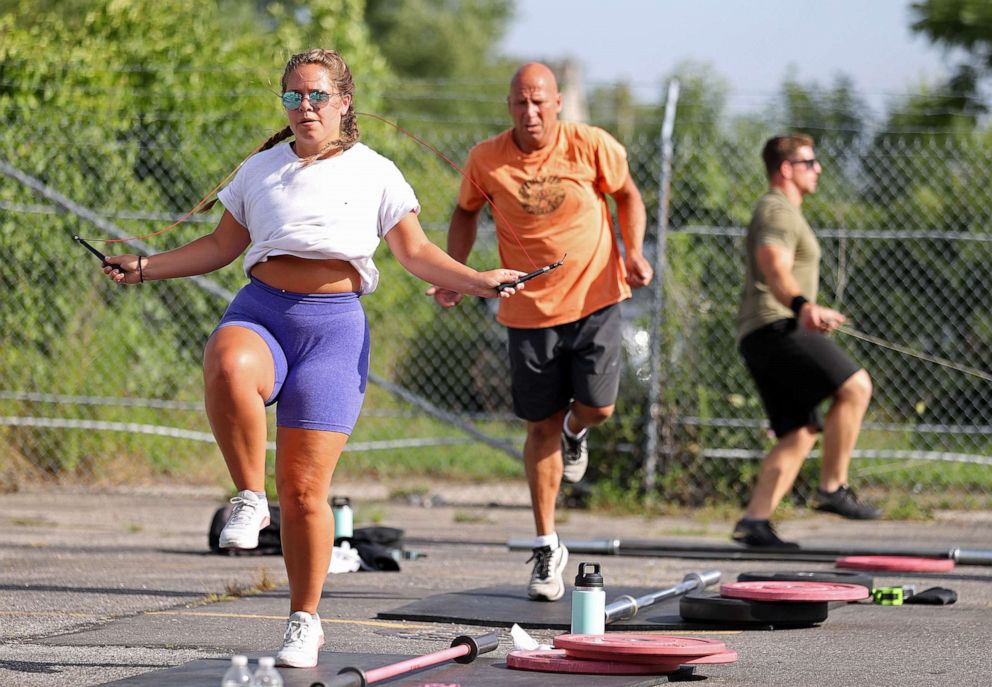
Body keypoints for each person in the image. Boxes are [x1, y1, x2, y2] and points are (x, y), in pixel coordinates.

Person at [101, 48, 524, 668]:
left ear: (344, 102)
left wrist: (479, 279)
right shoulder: (261, 169)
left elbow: (416, 252)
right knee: (226, 357)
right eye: (293, 97)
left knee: (303, 494)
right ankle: (247, 497)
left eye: (317, 96)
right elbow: (221, 245)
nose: (305, 108)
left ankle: (305, 619)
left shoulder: (376, 172)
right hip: (263, 309)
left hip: (333, 333)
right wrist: (143, 268)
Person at [430, 63, 652, 601]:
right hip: (527, 311)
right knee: (538, 428)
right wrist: (457, 275)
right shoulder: (487, 159)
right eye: (520, 103)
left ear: (557, 104)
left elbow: (628, 196)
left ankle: (580, 431)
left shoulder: (591, 145)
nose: (530, 113)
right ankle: (547, 545)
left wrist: (633, 250)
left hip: (596, 297)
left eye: (539, 102)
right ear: (509, 106)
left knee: (598, 408)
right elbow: (464, 214)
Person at [733, 133, 880, 549]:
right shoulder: (777, 210)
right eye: (809, 162)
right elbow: (772, 264)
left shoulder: (784, 211)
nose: (818, 169)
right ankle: (833, 487)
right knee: (856, 386)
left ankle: (755, 521)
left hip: (764, 331)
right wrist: (802, 306)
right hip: (777, 326)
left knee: (799, 430)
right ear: (786, 169)